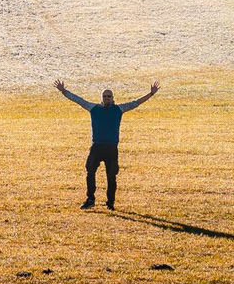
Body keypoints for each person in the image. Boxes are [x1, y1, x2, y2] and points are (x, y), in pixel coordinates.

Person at [54, 79, 159, 209]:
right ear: (102, 99)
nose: (107, 98)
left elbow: (136, 103)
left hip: (111, 149)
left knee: (111, 177)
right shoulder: (94, 108)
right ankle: (90, 199)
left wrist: (151, 94)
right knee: (90, 172)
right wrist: (64, 91)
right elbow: (78, 100)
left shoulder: (119, 109)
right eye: (105, 96)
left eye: (109, 96)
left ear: (113, 98)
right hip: (97, 147)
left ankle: (110, 203)